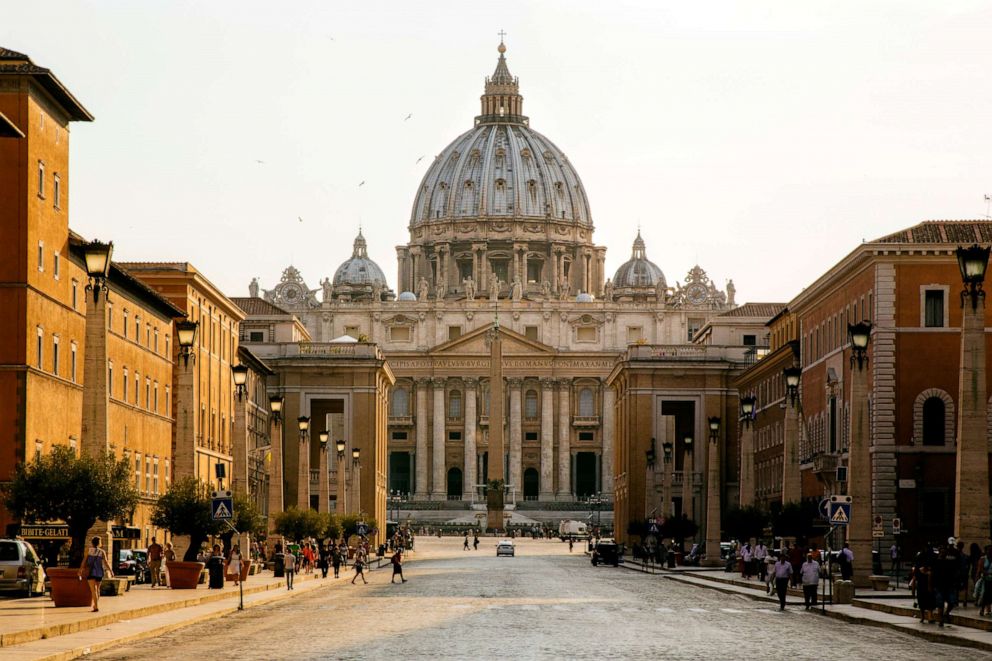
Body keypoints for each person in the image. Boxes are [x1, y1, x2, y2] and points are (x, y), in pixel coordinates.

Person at [78, 536, 112, 612]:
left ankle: (96, 606)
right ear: (99, 543)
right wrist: (111, 571)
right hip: (99, 572)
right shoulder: (102, 552)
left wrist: (81, 569)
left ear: (92, 543)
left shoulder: (88, 551)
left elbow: (84, 561)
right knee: (97, 589)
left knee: (93, 590)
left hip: (91, 572)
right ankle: (95, 605)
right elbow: (106, 562)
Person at [932, 543, 959, 627]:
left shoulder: (950, 562)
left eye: (945, 552)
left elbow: (954, 572)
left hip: (949, 584)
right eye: (942, 552)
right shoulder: (936, 562)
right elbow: (933, 574)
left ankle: (946, 613)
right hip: (939, 585)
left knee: (952, 602)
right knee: (940, 603)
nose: (943, 554)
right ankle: (941, 619)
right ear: (940, 552)